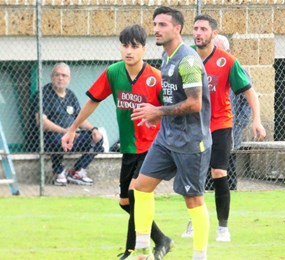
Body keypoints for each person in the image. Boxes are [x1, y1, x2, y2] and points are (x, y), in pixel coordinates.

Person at [60, 25, 172, 260]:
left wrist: (158, 115)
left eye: (134, 46)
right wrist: (72, 129)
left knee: (135, 194)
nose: (129, 51)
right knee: (125, 202)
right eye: (125, 45)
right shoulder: (113, 73)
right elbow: (93, 101)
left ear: (144, 49)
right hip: (129, 147)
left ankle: (134, 251)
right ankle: (161, 239)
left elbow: (171, 110)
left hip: (154, 146)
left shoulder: (156, 77)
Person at [127, 6, 212, 260]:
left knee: (193, 200)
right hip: (166, 138)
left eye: (162, 25)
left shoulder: (187, 61)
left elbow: (195, 103)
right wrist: (158, 118)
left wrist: (159, 112)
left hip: (190, 142)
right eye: (155, 24)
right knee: (141, 187)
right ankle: (142, 250)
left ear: (178, 28)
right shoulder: (166, 58)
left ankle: (200, 256)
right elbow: (172, 99)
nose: (156, 29)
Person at [182, 14, 266, 243]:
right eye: (195, 28)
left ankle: (222, 227)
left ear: (214, 34)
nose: (198, 33)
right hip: (193, 126)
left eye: (203, 29)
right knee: (194, 176)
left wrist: (257, 120)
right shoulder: (184, 56)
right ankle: (194, 221)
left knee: (219, 173)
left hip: (220, 124)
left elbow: (249, 91)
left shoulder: (227, 61)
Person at [33, 62, 104, 186]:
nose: (60, 78)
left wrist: (93, 129)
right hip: (52, 136)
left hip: (72, 135)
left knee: (97, 139)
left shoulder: (71, 95)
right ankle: (58, 172)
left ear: (69, 79)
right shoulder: (44, 94)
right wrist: (65, 131)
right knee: (58, 140)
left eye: (64, 75)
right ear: (52, 77)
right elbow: (41, 122)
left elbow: (79, 118)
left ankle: (77, 171)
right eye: (57, 75)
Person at [215, 34, 252, 190]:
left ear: (227, 50)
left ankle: (230, 191)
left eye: (218, 49)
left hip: (230, 126)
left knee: (228, 162)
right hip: (210, 126)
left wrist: (239, 122)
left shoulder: (237, 69)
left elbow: (247, 101)